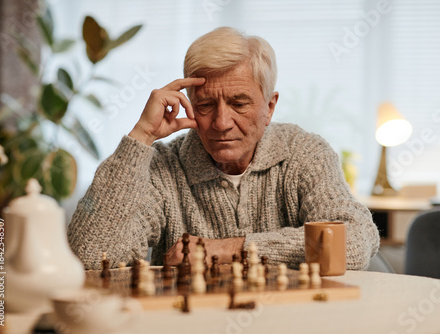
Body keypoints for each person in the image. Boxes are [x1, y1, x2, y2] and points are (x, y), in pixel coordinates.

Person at [67, 27, 379, 270]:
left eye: (239, 103)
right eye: (204, 104)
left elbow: (356, 241)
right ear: (189, 104)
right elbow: (92, 259)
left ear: (269, 107)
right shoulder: (164, 167)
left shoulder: (304, 153)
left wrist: (235, 249)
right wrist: (141, 136)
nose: (220, 122)